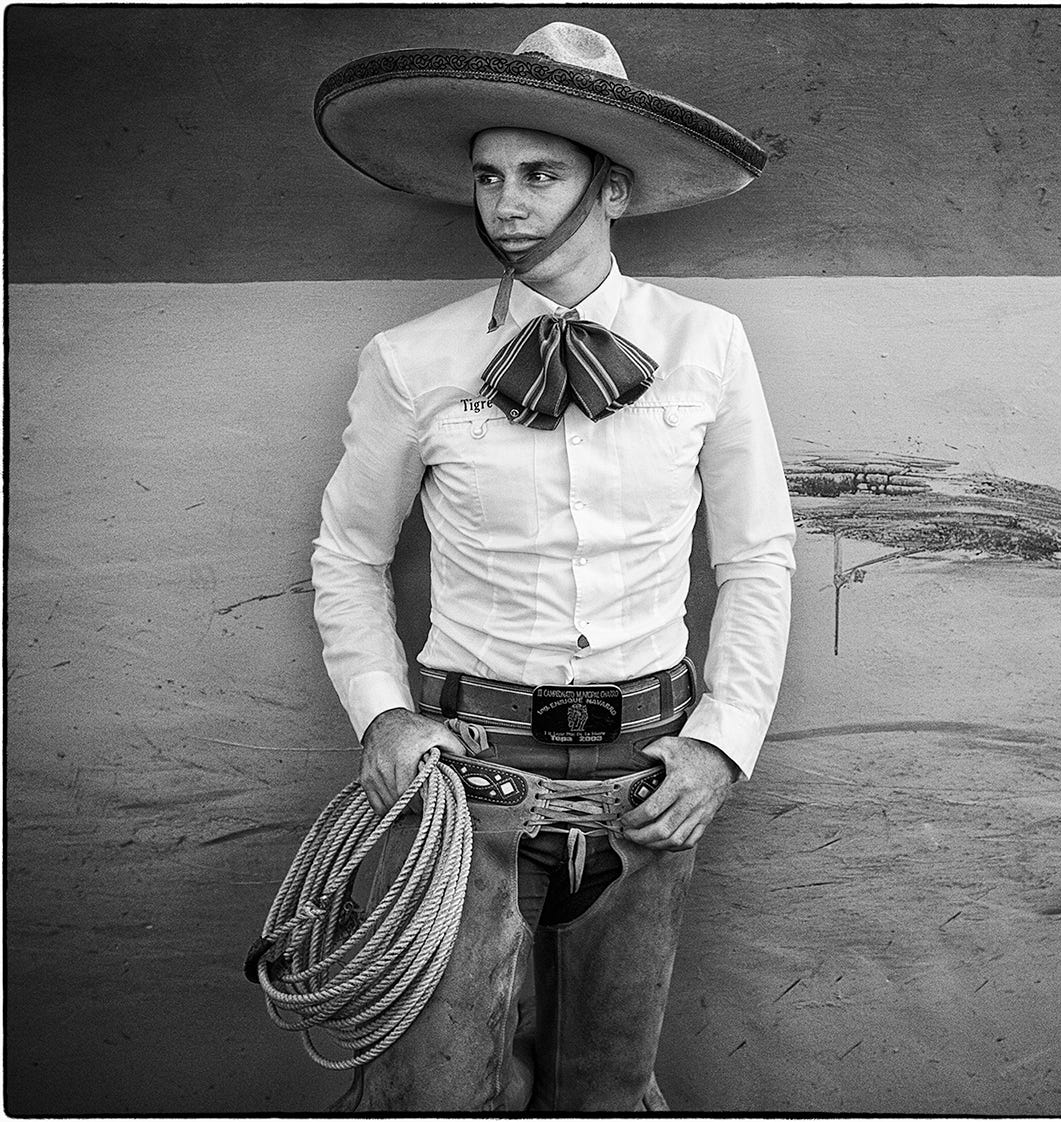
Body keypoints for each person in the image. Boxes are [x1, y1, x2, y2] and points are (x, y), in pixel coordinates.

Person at [308, 20, 795, 1112]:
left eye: (540, 175)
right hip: (463, 776)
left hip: (648, 778)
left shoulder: (707, 345)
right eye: (489, 177)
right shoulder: (412, 359)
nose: (506, 204)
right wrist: (383, 718)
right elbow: (348, 555)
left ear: (610, 188)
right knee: (437, 1091)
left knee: (608, 1088)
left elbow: (759, 558)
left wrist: (721, 746)